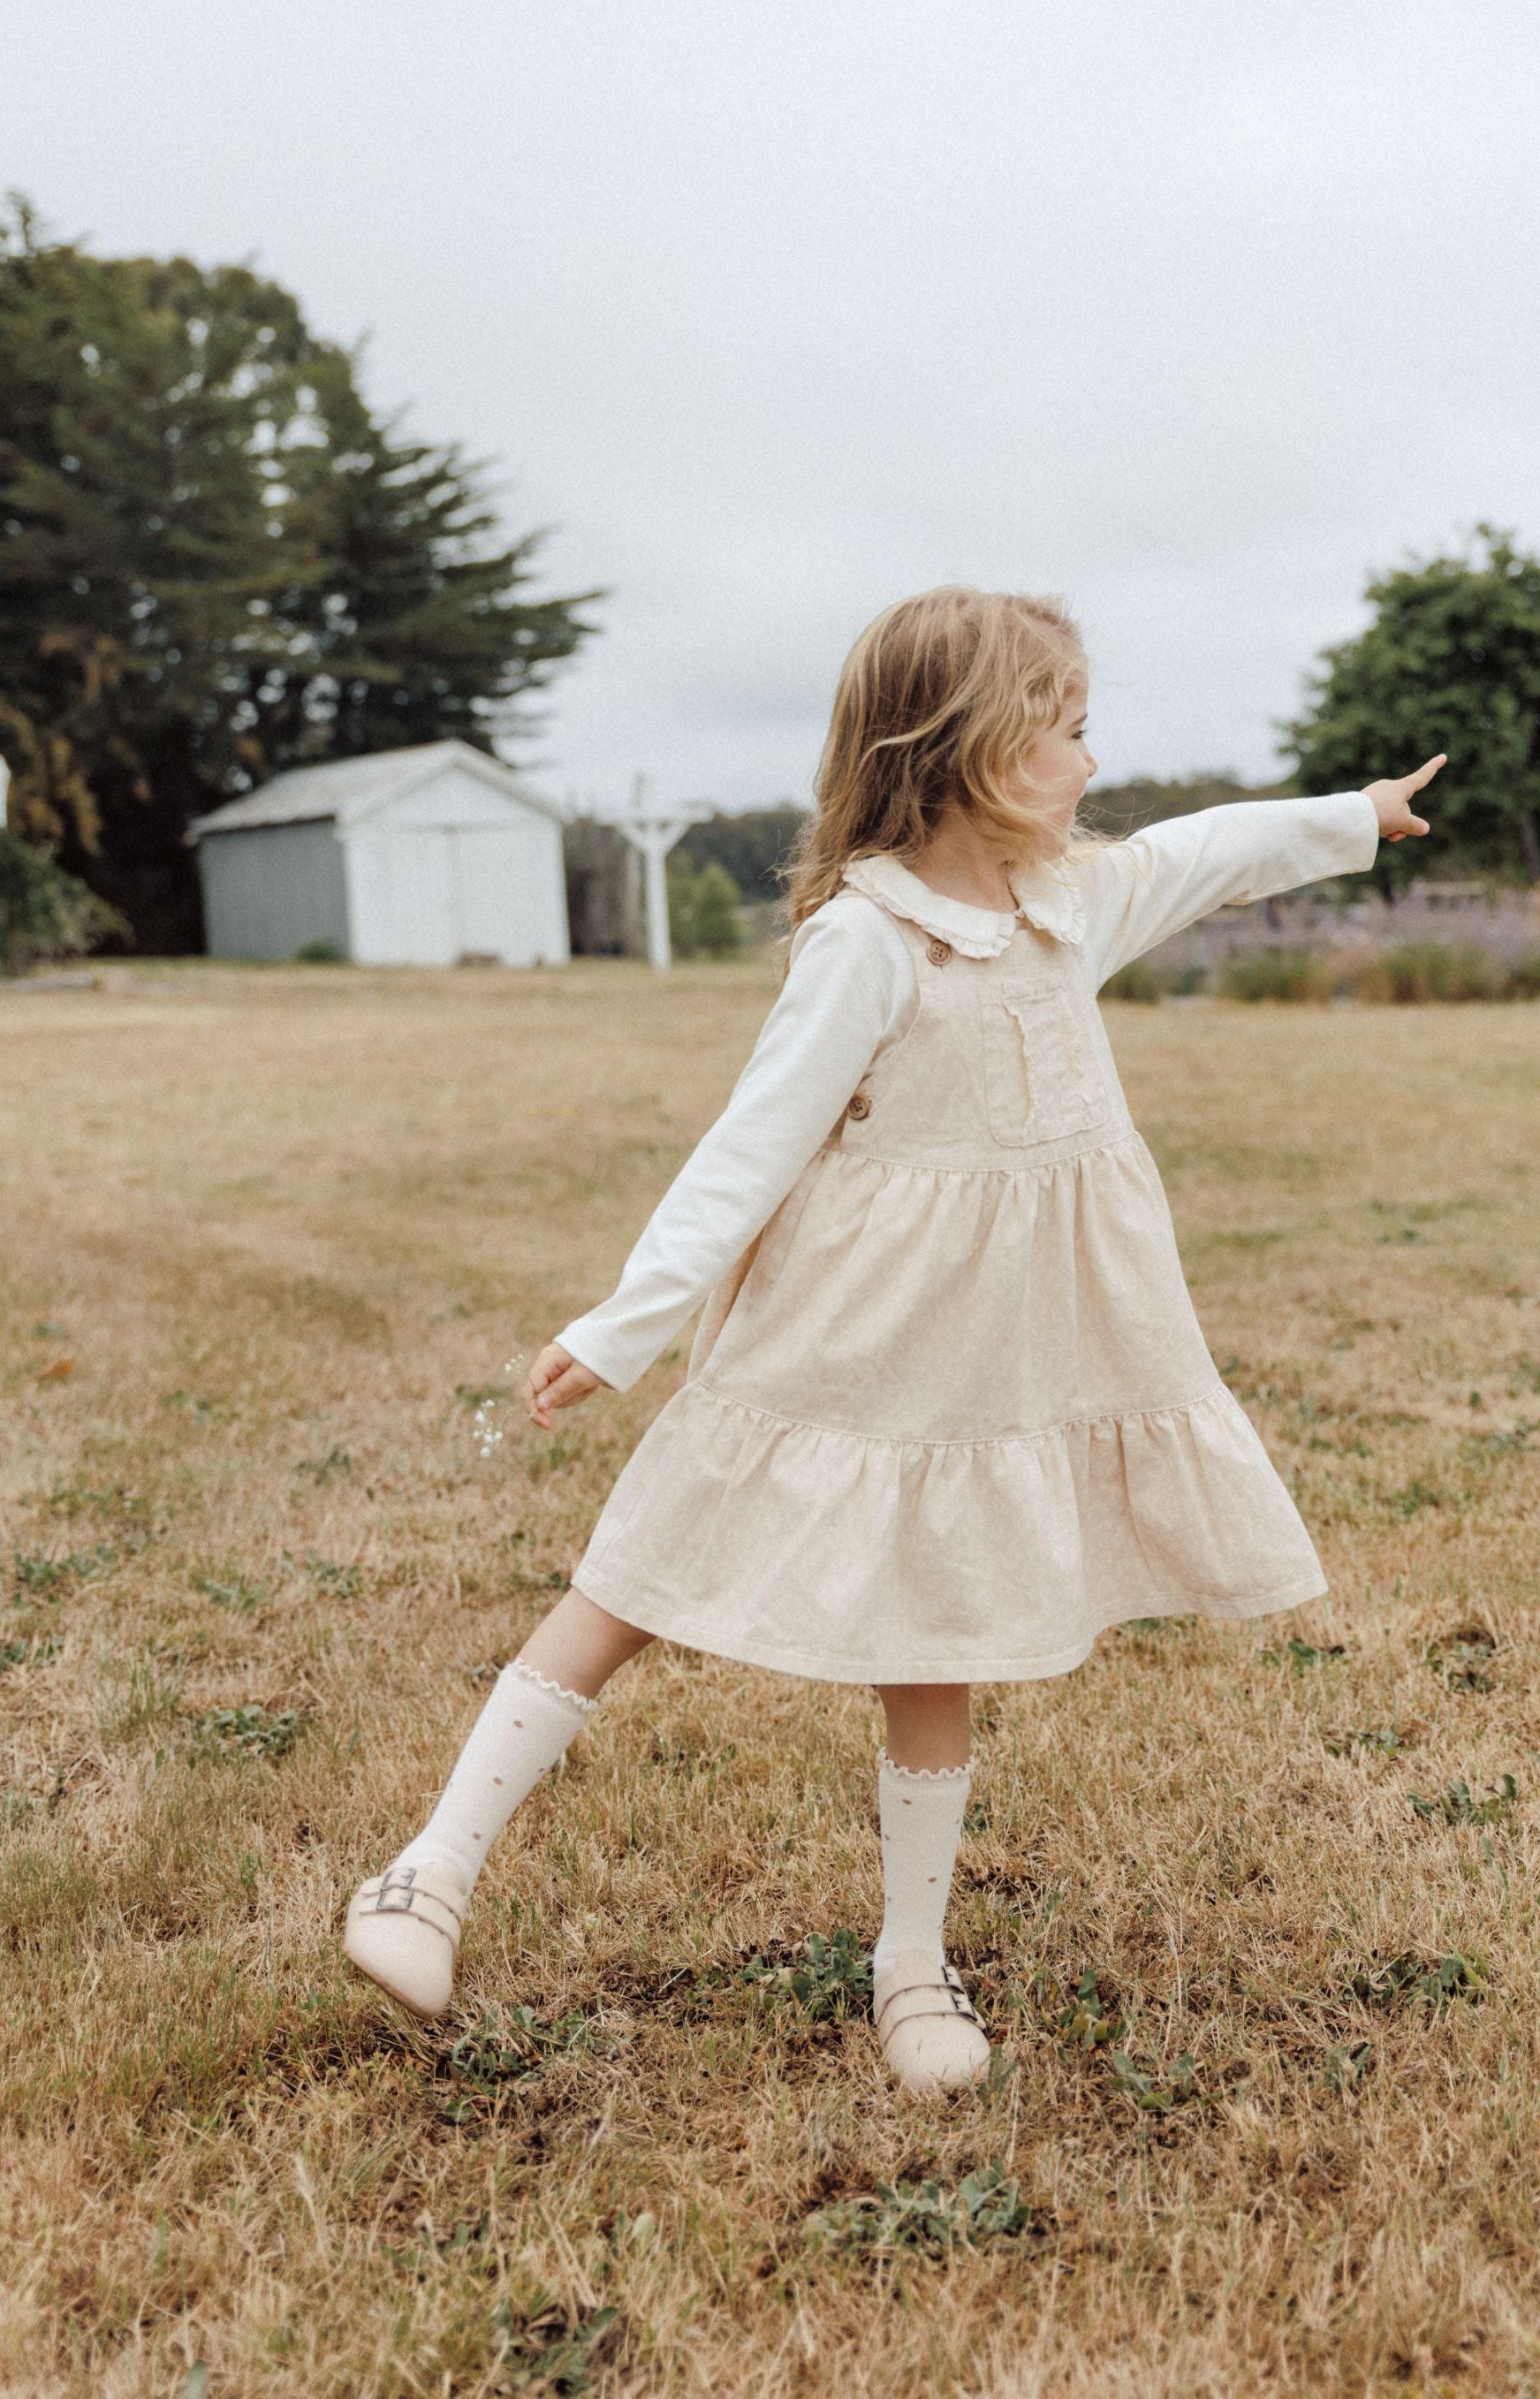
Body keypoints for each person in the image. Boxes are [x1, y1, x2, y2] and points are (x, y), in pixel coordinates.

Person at [345, 587, 1443, 2096]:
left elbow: (1202, 853)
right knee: (638, 1573)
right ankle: (431, 1872)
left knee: (945, 1622)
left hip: (993, 1358)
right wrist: (624, 1328)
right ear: (971, 747)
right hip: (842, 1340)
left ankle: (911, 1963)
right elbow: (746, 1151)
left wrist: (1352, 814)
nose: (1085, 746)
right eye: (1060, 724)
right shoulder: (866, 943)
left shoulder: (1069, 902)